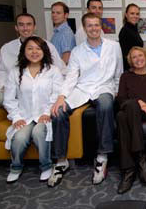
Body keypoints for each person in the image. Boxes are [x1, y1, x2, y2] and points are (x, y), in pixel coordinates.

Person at [48, 12, 123, 187]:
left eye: (96, 25)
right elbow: (71, 77)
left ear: (101, 26)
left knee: (105, 105)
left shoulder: (114, 47)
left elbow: (119, 72)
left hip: (105, 87)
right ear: (84, 28)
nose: (94, 28)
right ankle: (61, 160)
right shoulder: (77, 51)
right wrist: (61, 97)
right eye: (89, 25)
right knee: (58, 111)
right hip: (82, 88)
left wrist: (118, 93)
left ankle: (102, 155)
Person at [4, 36, 63, 183]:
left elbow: (57, 94)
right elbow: (9, 99)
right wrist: (16, 117)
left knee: (38, 132)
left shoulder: (53, 71)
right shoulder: (15, 72)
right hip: (24, 115)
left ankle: (46, 166)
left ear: (44, 51)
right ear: (24, 51)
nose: (34, 52)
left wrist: (46, 113)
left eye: (38, 48)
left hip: (45, 115)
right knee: (19, 137)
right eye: (30, 48)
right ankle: (16, 167)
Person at [0, 13, 65, 107]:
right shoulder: (6, 48)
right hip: (13, 89)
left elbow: (59, 69)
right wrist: (4, 86)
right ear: (16, 28)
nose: (25, 28)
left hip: (40, 90)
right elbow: (0, 72)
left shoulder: (47, 46)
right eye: (21, 25)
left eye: (29, 24)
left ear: (34, 27)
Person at [116, 46, 146, 194]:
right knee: (123, 114)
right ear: (130, 60)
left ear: (145, 57)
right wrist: (140, 103)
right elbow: (121, 98)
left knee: (122, 116)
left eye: (140, 55)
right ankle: (140, 159)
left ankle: (129, 172)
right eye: (134, 57)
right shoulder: (125, 76)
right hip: (131, 111)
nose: (138, 59)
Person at [118, 3, 144, 71]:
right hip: (131, 69)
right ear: (126, 15)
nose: (135, 16)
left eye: (137, 14)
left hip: (137, 67)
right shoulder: (125, 31)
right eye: (132, 13)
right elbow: (126, 56)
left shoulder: (133, 29)